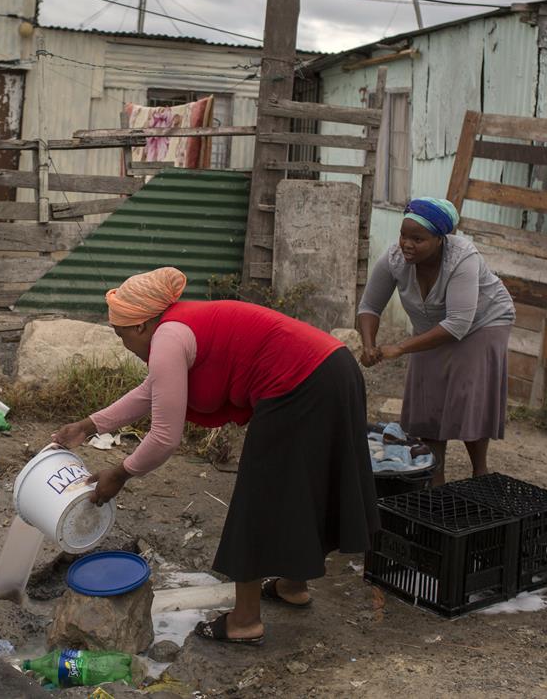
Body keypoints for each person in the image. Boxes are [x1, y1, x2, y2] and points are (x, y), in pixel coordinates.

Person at [52, 267, 379, 646]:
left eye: (120, 332)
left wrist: (121, 473)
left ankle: (243, 621)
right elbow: (153, 389)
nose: (122, 341)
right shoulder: (177, 325)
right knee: (305, 485)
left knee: (257, 498)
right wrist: (90, 425)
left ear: (141, 326)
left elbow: (163, 437)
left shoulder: (169, 338)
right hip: (333, 368)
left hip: (299, 384)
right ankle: (293, 584)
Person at [356, 197, 516, 486]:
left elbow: (457, 324)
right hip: (433, 327)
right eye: (404, 235)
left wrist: (401, 347)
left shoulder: (462, 258)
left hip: (484, 321)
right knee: (427, 397)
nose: (407, 244)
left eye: (418, 238)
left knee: (467, 395)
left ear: (440, 239)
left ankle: (479, 472)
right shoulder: (394, 259)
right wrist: (369, 344)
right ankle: (435, 473)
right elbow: (369, 307)